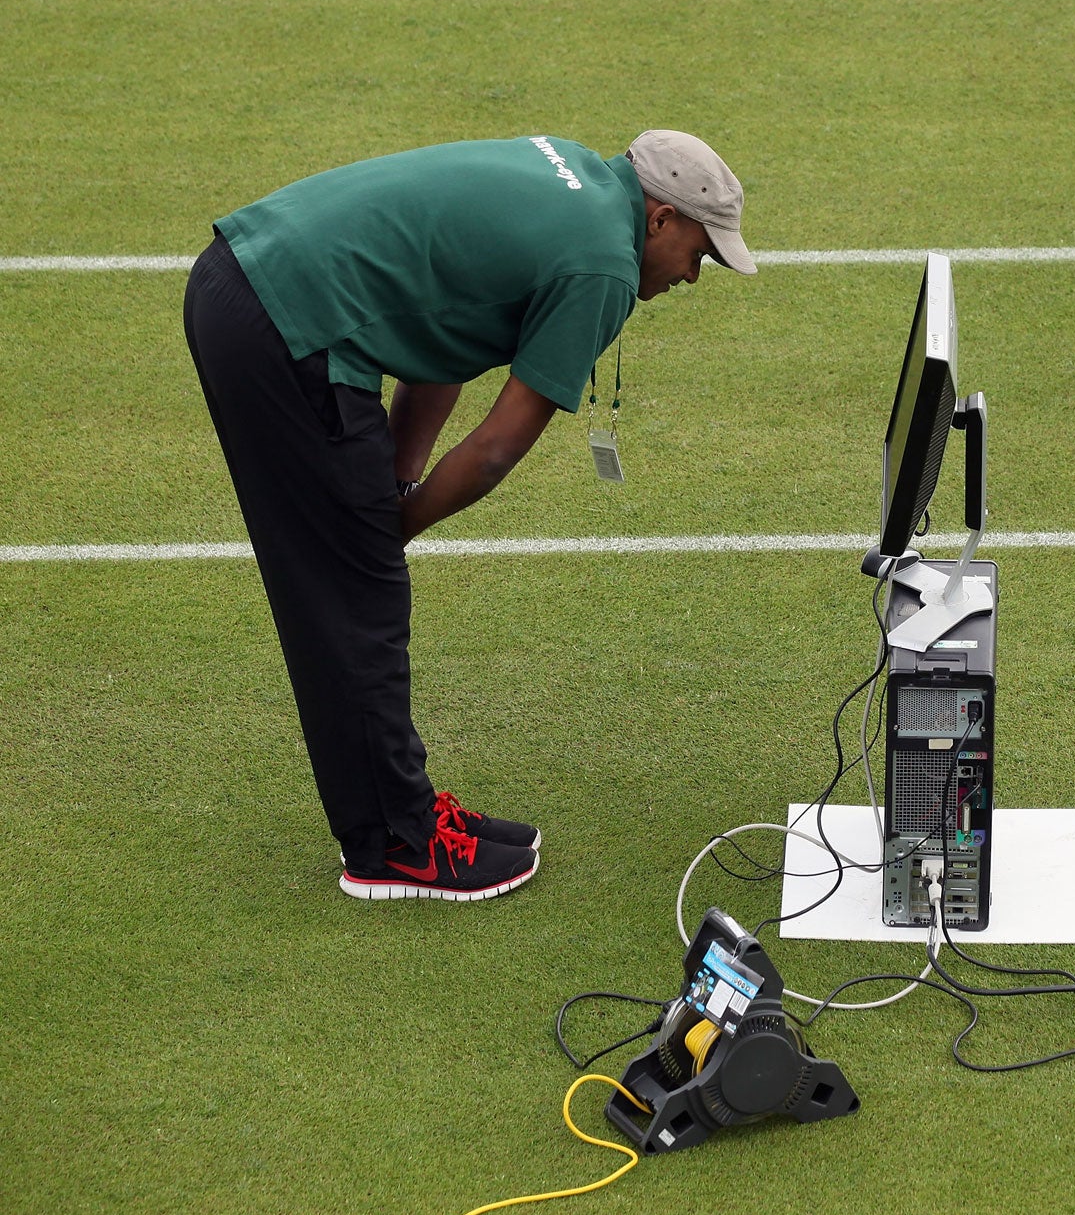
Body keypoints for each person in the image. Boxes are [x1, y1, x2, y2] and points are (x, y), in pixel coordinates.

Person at [183, 130, 755, 901]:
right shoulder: (601, 265)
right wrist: (389, 533)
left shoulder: (568, 173)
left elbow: (441, 346)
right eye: (699, 252)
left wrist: (393, 482)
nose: (693, 274)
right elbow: (493, 451)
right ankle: (398, 845)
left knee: (359, 582)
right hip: (287, 327)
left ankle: (403, 813)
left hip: (246, 280)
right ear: (659, 219)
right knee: (356, 598)